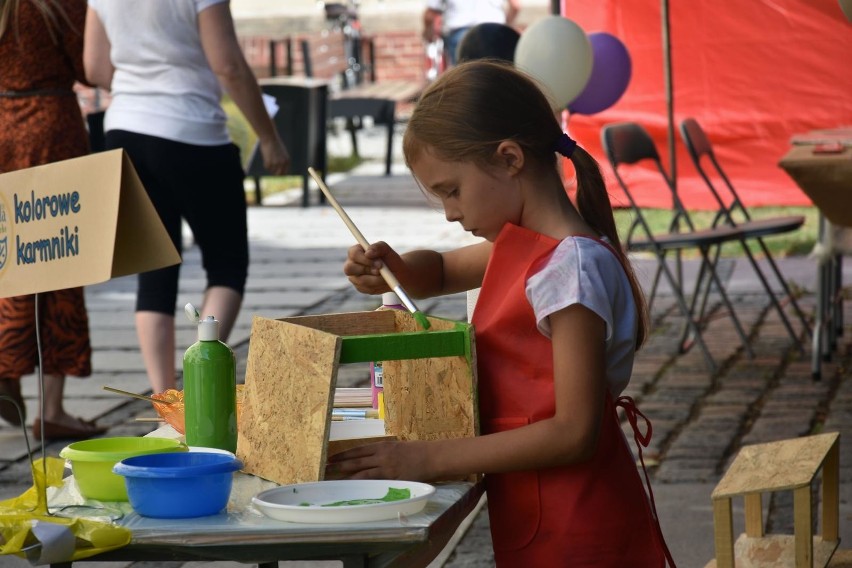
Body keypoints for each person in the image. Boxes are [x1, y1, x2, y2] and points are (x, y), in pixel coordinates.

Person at [329, 61, 675, 567]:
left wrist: (423, 457)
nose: (449, 211)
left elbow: (574, 431)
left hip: (583, 527)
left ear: (509, 158)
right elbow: (441, 272)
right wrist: (393, 267)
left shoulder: (569, 269)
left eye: (451, 190)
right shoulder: (528, 250)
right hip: (542, 513)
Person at [84, 0, 291, 394]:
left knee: (155, 265)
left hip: (125, 129)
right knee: (226, 264)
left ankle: (163, 399)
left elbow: (95, 67)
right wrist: (269, 136)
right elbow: (228, 64)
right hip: (191, 131)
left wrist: (141, 84)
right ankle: (200, 384)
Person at [0, 0, 107, 440]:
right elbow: (89, 66)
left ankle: (7, 358)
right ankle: (53, 408)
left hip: (3, 124)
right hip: (51, 129)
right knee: (58, 260)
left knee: (11, 257)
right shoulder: (55, 4)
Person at [422, 0, 520, 66]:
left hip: (460, 34)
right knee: (499, 73)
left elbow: (430, 14)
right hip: (495, 32)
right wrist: (506, 26)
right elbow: (515, 6)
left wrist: (427, 33)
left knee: (465, 80)